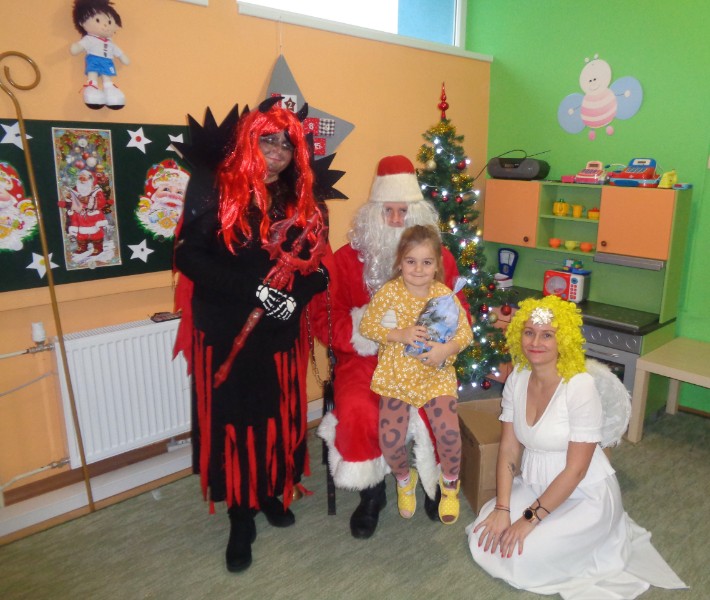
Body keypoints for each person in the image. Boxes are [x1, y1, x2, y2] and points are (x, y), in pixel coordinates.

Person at [173, 98, 330, 573]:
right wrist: (254, 290)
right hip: (226, 331)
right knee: (236, 423)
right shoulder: (215, 187)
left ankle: (270, 491)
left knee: (277, 416)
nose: (278, 152)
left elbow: (317, 268)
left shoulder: (303, 198)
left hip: (279, 334)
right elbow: (189, 256)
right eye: (268, 140)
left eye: (287, 144)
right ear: (249, 139)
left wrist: (293, 299)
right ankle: (241, 515)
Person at [466, 295, 687, 599]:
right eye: (529, 332)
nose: (536, 342)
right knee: (485, 534)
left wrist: (528, 520)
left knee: (521, 555)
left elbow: (576, 470)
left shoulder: (579, 386)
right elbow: (508, 449)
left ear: (564, 340)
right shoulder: (518, 376)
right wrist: (503, 508)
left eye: (547, 335)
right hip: (535, 483)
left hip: (584, 494)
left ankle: (597, 533)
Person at [316, 155, 469, 538]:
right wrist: (364, 335)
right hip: (365, 359)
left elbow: (460, 314)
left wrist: (444, 349)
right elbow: (325, 317)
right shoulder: (346, 260)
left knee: (440, 415)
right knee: (358, 409)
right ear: (374, 213)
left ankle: (434, 484)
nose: (397, 220)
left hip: (428, 359)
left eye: (405, 211)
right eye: (389, 211)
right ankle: (372, 492)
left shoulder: (439, 259)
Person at [359, 224, 473, 524]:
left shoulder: (444, 294)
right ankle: (404, 479)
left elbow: (465, 334)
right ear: (400, 262)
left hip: (435, 377)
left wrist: (446, 350)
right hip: (397, 376)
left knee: (449, 434)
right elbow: (368, 326)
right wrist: (400, 334)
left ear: (437, 265)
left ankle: (449, 485)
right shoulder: (390, 292)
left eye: (426, 262)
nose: (419, 269)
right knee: (390, 440)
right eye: (411, 261)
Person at [70, 0, 130, 109]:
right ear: (82, 23)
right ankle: (92, 85)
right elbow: (79, 47)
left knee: (107, 75)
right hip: (94, 59)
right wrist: (76, 47)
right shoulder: (89, 39)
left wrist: (122, 56)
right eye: (98, 20)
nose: (106, 25)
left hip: (107, 61)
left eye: (109, 22)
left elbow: (117, 51)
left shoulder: (110, 42)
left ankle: (109, 88)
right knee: (93, 73)